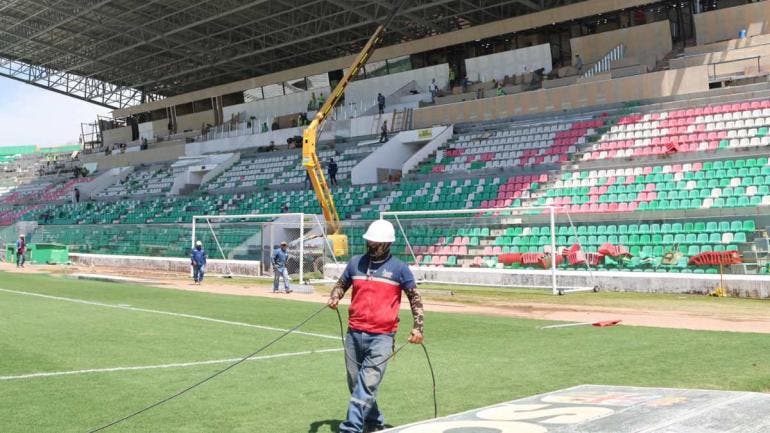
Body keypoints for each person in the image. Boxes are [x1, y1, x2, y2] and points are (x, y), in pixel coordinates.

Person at [327, 219, 424, 433]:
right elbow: (341, 284)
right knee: (355, 383)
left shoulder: (400, 269)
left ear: (387, 244)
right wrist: (335, 296)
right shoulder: (355, 263)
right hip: (354, 333)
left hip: (382, 337)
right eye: (369, 242)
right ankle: (375, 421)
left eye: (376, 243)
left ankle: (350, 428)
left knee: (367, 384)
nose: (371, 246)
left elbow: (415, 299)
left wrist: (418, 327)